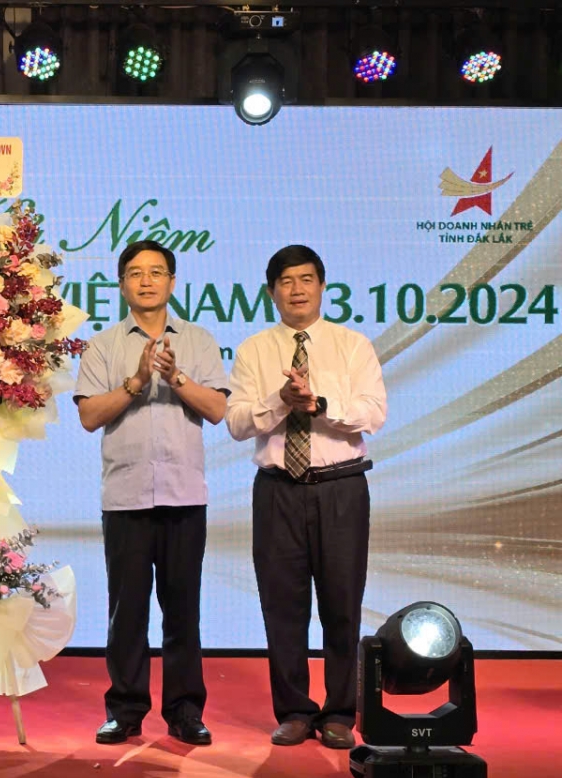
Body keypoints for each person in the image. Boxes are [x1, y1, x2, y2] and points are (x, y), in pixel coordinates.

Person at [225, 245, 387, 749]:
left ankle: (340, 712)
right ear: (271, 291)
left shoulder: (352, 345)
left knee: (342, 603)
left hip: (341, 488)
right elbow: (235, 422)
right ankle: (294, 710)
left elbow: (373, 414)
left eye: (307, 279)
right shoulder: (255, 349)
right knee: (282, 605)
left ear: (323, 286)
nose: (297, 290)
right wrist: (281, 401)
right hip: (277, 491)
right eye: (287, 281)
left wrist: (319, 404)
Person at [74, 241, 229, 746]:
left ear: (173, 283)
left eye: (157, 272)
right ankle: (125, 709)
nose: (146, 281)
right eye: (135, 273)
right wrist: (138, 381)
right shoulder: (101, 345)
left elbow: (217, 410)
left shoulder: (201, 340)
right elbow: (90, 416)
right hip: (126, 498)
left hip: (184, 497)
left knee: (183, 610)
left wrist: (175, 376)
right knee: (127, 612)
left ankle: (185, 711)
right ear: (121, 284)